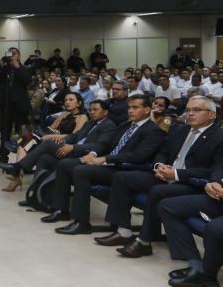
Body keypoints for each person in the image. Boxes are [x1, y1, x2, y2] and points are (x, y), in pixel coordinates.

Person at [96, 96, 223, 257]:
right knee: (122, 177)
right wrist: (159, 165)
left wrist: (176, 174)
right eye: (188, 110)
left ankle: (143, 242)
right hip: (165, 174)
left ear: (212, 115)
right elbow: (163, 151)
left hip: (190, 182)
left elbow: (213, 171)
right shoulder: (181, 129)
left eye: (197, 110)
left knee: (158, 191)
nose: (190, 114)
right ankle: (123, 232)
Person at [43, 95, 166, 235]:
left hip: (124, 168)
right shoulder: (126, 125)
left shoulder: (153, 131)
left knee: (81, 171)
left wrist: (103, 159)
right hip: (109, 163)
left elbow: (138, 156)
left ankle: (80, 222)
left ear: (147, 110)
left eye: (135, 107)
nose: (130, 111)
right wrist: (94, 154)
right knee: (65, 164)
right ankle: (60, 210)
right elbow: (108, 145)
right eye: (129, 107)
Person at [157, 148, 223, 287]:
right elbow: (222, 166)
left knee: (217, 228)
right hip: (221, 197)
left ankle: (207, 275)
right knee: (167, 206)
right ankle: (196, 265)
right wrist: (213, 183)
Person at [0, 48, 32, 164]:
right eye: (9, 54)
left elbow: (27, 81)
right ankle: (3, 157)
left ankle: (25, 159)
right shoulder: (5, 69)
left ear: (19, 56)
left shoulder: (24, 68)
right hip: (6, 105)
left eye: (14, 54)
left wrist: (17, 66)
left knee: (23, 133)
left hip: (20, 106)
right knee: (4, 131)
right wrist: (1, 67)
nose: (11, 56)